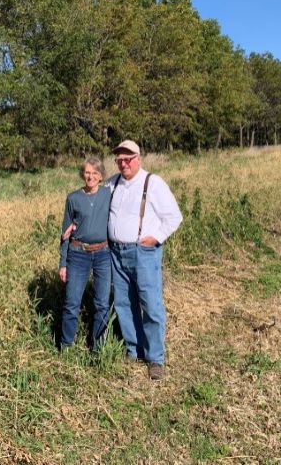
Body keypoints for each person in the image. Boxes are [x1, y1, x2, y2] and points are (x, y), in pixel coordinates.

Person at [107, 140, 182, 380]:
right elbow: (94, 200)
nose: (123, 163)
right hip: (116, 253)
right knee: (123, 303)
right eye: (119, 159)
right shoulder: (113, 182)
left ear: (138, 158)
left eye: (127, 159)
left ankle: (156, 359)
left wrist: (156, 238)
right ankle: (134, 349)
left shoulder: (153, 182)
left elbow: (174, 217)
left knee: (150, 304)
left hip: (143, 253)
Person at [58, 157, 113, 351]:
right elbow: (65, 234)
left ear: (101, 176)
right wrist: (63, 263)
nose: (90, 176)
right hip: (78, 253)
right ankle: (66, 345)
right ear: (83, 174)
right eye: (87, 172)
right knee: (72, 303)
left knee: (101, 304)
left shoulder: (108, 194)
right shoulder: (74, 198)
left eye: (95, 173)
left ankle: (98, 347)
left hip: (103, 254)